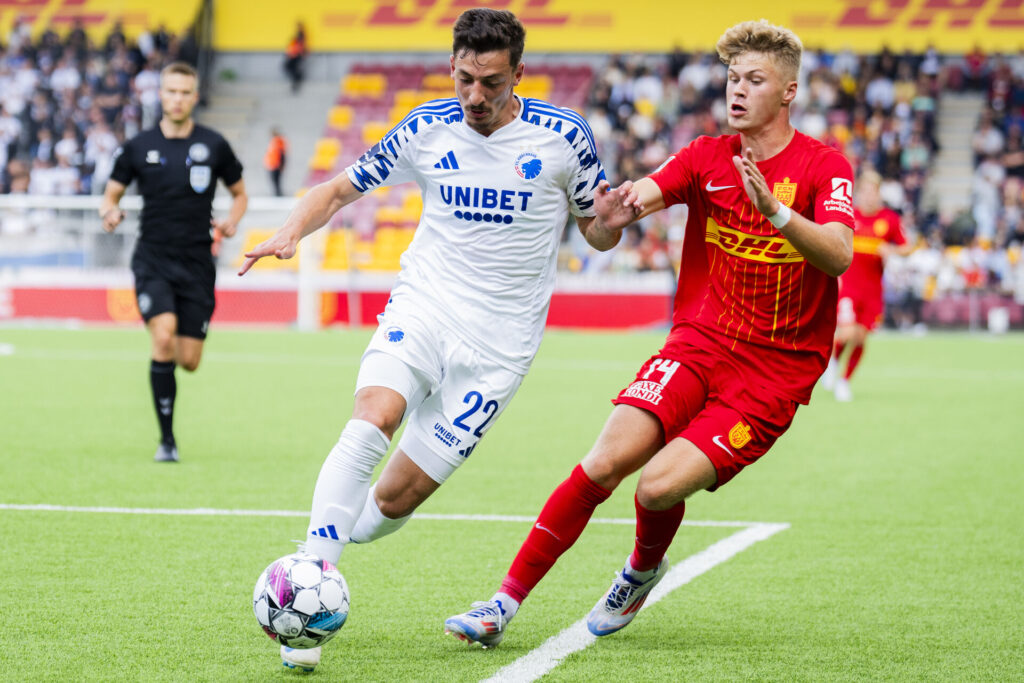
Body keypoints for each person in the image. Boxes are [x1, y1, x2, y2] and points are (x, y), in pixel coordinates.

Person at [444, 19, 855, 648]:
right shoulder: (704, 156)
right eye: (731, 78)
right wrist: (614, 212)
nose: (736, 91)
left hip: (773, 375)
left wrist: (775, 209)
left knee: (657, 486)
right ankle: (501, 604)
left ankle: (638, 572)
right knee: (604, 460)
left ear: (789, 92)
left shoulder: (823, 167)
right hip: (699, 344)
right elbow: (636, 200)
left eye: (754, 80)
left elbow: (839, 255)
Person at [239, 8, 617, 673]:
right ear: (453, 67)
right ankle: (310, 583)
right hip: (426, 305)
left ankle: (327, 549)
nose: (475, 96)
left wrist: (612, 221)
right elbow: (335, 188)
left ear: (519, 75)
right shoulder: (425, 129)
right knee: (373, 415)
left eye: (491, 83)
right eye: (465, 78)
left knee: (393, 499)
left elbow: (597, 229)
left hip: (500, 348)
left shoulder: (564, 139)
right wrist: (292, 230)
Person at [100, 61, 247, 463]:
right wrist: (109, 212)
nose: (178, 99)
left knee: (190, 360)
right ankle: (167, 441)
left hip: (198, 262)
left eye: (185, 92)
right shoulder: (138, 146)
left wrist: (232, 222)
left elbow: (239, 193)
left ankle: (169, 411)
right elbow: (110, 195)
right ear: (160, 95)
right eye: (171, 92)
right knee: (161, 336)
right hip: (153, 259)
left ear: (194, 97)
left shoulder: (214, 145)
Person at [821, 169, 909, 401]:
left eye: (873, 191)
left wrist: (890, 249)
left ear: (879, 194)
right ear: (858, 193)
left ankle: (844, 381)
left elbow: (907, 247)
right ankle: (834, 361)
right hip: (848, 286)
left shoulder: (889, 219)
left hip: (874, 290)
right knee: (847, 332)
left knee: (860, 337)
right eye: (865, 191)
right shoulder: (849, 215)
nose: (869, 196)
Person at [283, 23, 307, 94]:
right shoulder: (300, 34)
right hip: (295, 54)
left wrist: (299, 53)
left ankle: (297, 80)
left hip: (296, 55)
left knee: (290, 67)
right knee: (293, 69)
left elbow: (299, 45)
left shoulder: (301, 34)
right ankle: (296, 81)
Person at [263, 127, 287, 197]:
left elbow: (282, 153)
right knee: (274, 181)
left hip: (276, 165)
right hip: (271, 165)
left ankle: (278, 195)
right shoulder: (273, 141)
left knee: (276, 181)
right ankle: (277, 195)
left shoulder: (279, 140)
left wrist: (282, 164)